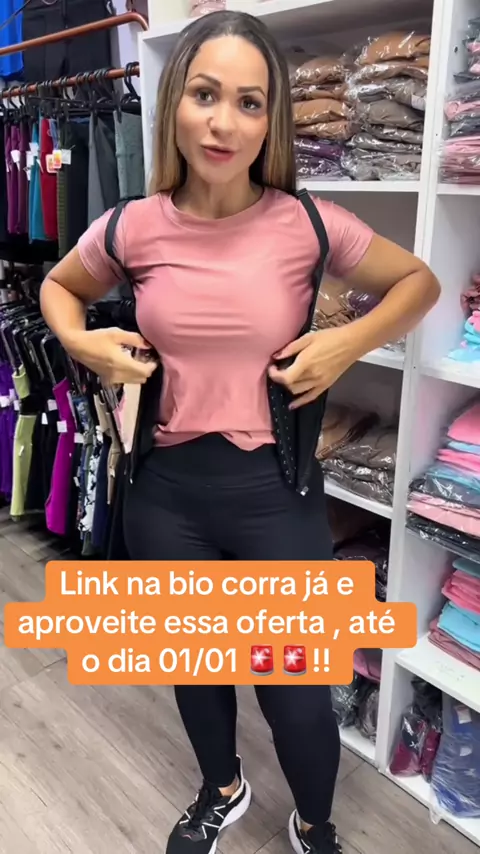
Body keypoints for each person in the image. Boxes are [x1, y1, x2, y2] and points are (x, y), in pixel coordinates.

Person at [39, 10, 440, 854]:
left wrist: (348, 342)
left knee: (296, 696)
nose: (224, 123)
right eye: (205, 94)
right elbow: (59, 287)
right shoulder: (131, 225)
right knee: (198, 667)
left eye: (249, 103)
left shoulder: (308, 224)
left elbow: (417, 282)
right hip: (165, 495)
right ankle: (221, 788)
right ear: (174, 105)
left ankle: (314, 822)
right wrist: (81, 341)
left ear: (270, 121)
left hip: (275, 495)